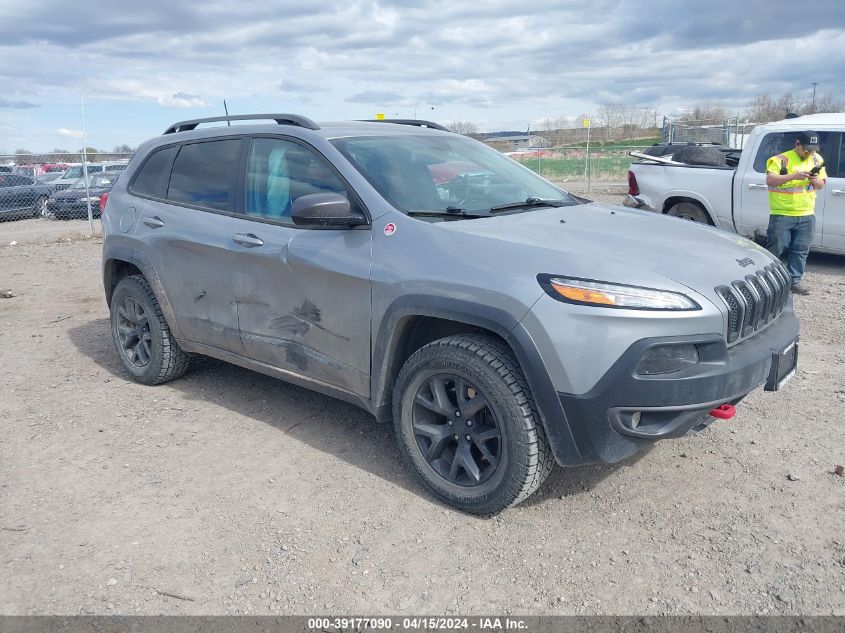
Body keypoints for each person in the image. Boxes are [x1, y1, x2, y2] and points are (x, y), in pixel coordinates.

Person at [765, 131, 826, 295]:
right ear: (798, 144)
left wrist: (815, 180)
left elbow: (821, 184)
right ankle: (769, 282)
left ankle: (794, 281)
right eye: (806, 149)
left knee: (801, 250)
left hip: (807, 214)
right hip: (782, 213)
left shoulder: (816, 159)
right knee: (776, 248)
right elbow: (770, 180)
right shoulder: (780, 160)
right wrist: (795, 176)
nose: (809, 152)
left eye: (813, 149)